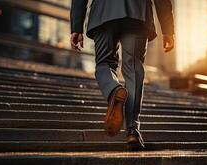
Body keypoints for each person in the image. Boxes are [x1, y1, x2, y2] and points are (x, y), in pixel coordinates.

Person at [70, 0, 174, 150]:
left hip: (103, 11)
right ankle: (132, 130)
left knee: (104, 64)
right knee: (133, 69)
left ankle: (114, 90)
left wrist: (76, 26)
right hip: (138, 12)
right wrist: (168, 29)